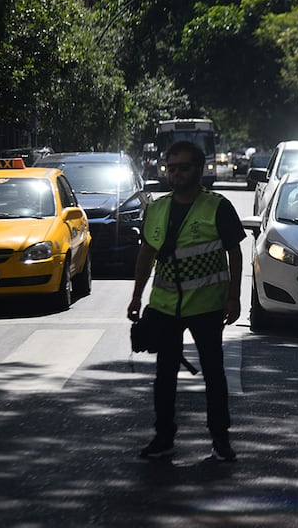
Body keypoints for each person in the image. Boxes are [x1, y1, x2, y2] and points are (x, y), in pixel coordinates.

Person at [127, 140, 245, 462]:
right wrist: (136, 297)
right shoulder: (157, 208)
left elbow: (234, 253)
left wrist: (234, 298)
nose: (176, 173)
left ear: (200, 169)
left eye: (184, 167)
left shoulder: (217, 207)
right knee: (164, 377)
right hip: (165, 307)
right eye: (171, 168)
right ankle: (163, 436)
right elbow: (146, 255)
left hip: (206, 307)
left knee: (214, 374)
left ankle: (220, 438)